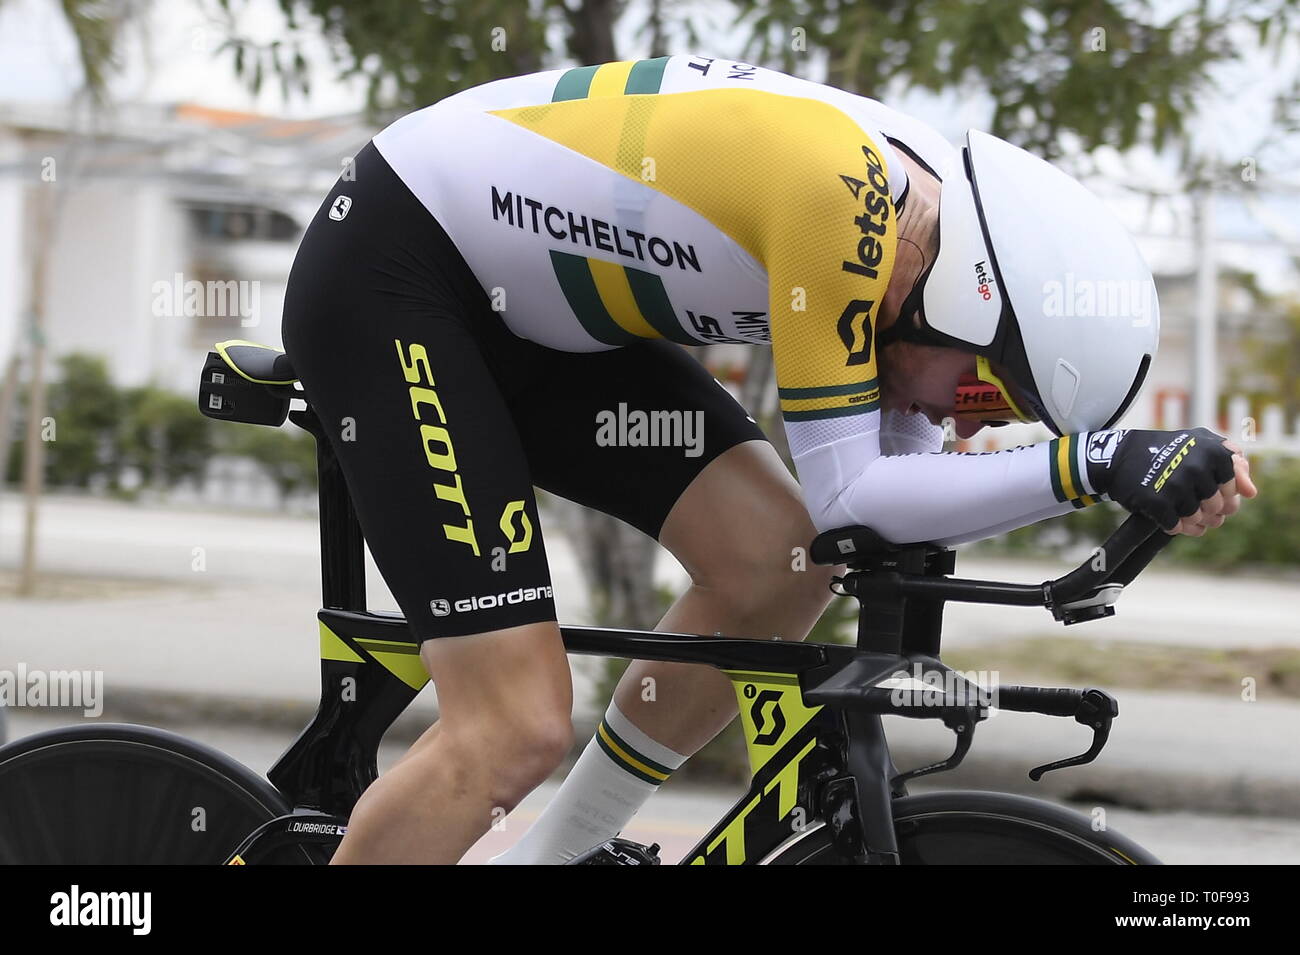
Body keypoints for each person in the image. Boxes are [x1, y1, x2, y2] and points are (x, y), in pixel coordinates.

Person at [278, 54, 1257, 864]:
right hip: (399, 274)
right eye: (978, 390)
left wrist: (1115, 474)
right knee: (513, 728)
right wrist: (1087, 464)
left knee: (781, 564)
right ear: (963, 301)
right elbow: (858, 490)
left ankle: (559, 858)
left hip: (540, 324)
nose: (963, 420)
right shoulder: (837, 201)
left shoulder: (923, 258)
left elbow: (868, 520)